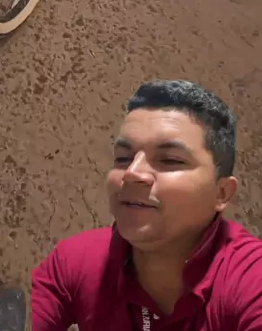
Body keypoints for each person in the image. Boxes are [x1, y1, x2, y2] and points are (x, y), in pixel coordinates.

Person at [32, 79, 262, 330]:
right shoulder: (74, 261)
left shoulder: (252, 280)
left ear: (221, 193)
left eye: (170, 160)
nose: (132, 173)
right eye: (123, 158)